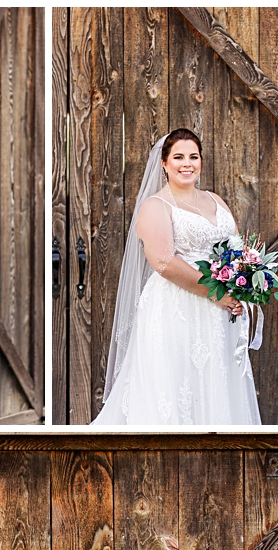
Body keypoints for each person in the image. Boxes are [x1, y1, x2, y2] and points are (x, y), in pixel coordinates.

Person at [92, 129, 261, 426]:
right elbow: (164, 262)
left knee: (217, 382)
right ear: (164, 163)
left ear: (201, 161)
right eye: (178, 157)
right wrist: (216, 293)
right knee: (178, 383)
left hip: (220, 312)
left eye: (193, 157)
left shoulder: (215, 200)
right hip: (177, 307)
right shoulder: (155, 206)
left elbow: (235, 248)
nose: (187, 164)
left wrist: (242, 286)